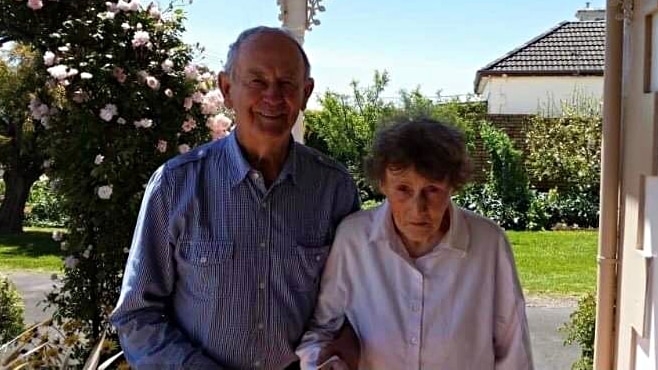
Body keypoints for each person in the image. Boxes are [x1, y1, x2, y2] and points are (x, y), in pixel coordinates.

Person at [110, 26, 360, 369]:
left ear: (306, 93)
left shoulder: (334, 190)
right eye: (256, 81)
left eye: (287, 83)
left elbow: (350, 308)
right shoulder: (175, 185)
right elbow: (137, 314)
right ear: (227, 89)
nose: (273, 96)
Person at [296, 119, 534, 369]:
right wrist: (320, 363)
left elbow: (513, 351)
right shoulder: (354, 240)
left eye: (432, 190)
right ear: (383, 184)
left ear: (452, 186)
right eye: (403, 189)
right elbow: (322, 329)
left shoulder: (488, 243)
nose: (417, 208)